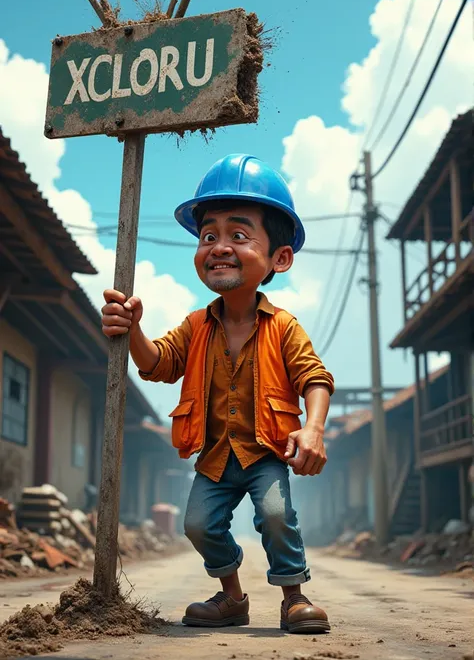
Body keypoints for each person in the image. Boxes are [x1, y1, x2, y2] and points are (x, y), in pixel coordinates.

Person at [101, 154, 335, 634]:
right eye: (209, 236)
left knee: (274, 514)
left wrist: (312, 428)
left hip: (265, 452)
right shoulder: (195, 327)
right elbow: (158, 364)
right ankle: (232, 598)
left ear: (280, 258)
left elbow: (314, 377)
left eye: (239, 235)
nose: (220, 247)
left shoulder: (284, 327)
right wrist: (133, 329)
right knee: (197, 525)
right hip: (214, 456)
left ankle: (294, 597)